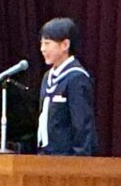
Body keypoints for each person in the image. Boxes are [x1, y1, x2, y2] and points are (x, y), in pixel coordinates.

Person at [36, 17, 97, 155]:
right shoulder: (47, 77)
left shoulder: (76, 77)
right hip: (46, 155)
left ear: (65, 45)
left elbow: (82, 124)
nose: (42, 49)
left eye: (47, 43)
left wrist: (79, 157)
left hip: (67, 158)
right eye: (41, 44)